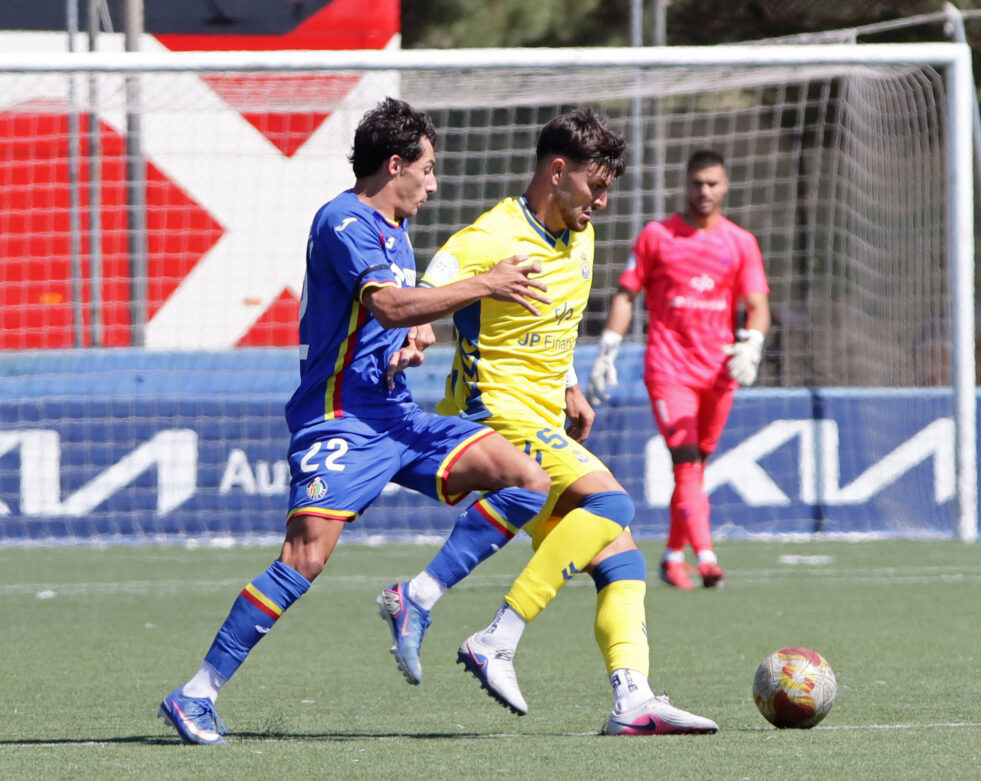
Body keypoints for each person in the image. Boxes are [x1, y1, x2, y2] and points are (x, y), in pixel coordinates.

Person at [157, 97, 556, 745]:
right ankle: (195, 694)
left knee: (525, 480)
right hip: (338, 418)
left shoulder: (396, 230)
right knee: (303, 558)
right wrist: (481, 285)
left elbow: (390, 316)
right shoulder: (343, 220)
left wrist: (408, 340)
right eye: (427, 169)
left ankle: (416, 596)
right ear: (394, 164)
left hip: (395, 414)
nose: (434, 182)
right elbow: (391, 304)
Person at [376, 109, 718, 736]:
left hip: (544, 420)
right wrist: (421, 325)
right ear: (557, 172)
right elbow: (434, 280)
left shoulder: (579, 234)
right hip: (494, 416)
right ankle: (496, 639)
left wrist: (570, 386)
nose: (603, 201)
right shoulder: (493, 234)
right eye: (596, 186)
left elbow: (552, 329)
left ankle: (632, 698)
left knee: (622, 560)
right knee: (614, 505)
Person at [587, 149, 771, 590]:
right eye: (697, 183)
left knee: (696, 466)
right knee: (687, 462)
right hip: (669, 368)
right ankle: (706, 558)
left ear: (725, 186)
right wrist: (608, 346)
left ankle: (672, 557)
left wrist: (754, 344)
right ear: (684, 185)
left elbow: (759, 306)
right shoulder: (657, 236)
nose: (704, 192)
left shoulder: (740, 242)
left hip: (720, 373)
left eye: (712, 184)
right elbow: (627, 294)